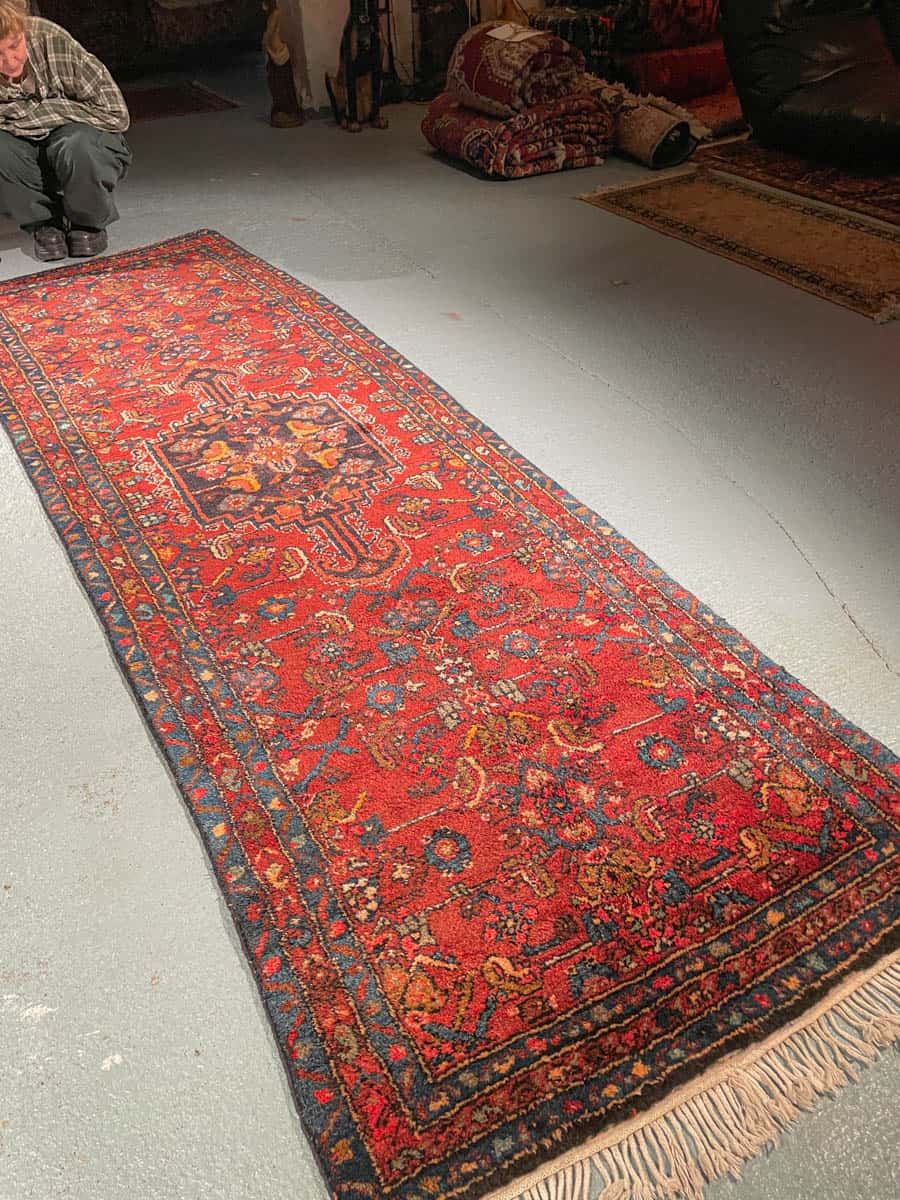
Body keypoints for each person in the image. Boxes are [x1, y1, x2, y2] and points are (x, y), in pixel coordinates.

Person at [0, 0, 131, 261]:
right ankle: (45, 223)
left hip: (76, 145)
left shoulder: (51, 39)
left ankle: (88, 223)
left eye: (14, 46)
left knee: (76, 143)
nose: (10, 61)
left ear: (23, 32)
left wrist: (32, 113)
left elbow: (116, 113)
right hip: (24, 156)